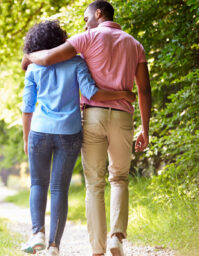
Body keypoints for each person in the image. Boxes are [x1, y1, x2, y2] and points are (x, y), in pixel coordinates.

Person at [21, 1, 152, 256]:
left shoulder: (86, 39)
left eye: (85, 17)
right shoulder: (134, 44)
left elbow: (44, 65)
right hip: (115, 118)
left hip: (86, 118)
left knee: (92, 184)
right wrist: (145, 126)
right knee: (119, 178)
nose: (84, 22)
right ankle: (114, 237)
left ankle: (95, 248)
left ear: (98, 13)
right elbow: (144, 90)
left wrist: (28, 56)